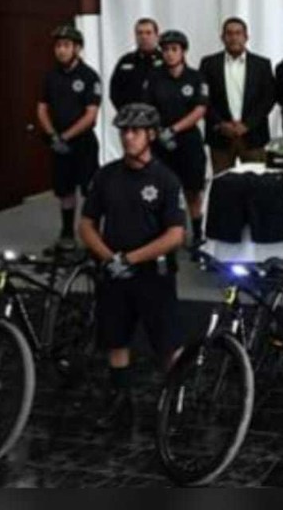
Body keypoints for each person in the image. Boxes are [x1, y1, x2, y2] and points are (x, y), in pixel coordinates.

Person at [79, 103, 188, 430]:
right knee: (116, 338)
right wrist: (108, 257)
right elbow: (86, 224)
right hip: (114, 272)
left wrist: (131, 258)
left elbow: (175, 236)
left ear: (151, 135)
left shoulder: (166, 179)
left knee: (167, 343)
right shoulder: (106, 175)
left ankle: (176, 401)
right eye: (124, 131)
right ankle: (120, 400)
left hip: (152, 275)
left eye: (135, 131)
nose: (128, 137)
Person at [36, 24, 101, 249]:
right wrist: (53, 136)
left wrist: (66, 136)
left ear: (77, 48)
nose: (61, 50)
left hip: (82, 143)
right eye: (58, 46)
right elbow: (42, 108)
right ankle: (66, 232)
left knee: (90, 189)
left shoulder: (89, 76)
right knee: (64, 190)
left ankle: (94, 233)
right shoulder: (51, 76)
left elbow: (91, 114)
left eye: (66, 45)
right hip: (58, 144)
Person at [148, 29, 209, 251]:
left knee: (193, 190)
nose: (170, 54)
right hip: (160, 144)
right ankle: (169, 234)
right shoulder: (154, 78)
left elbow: (200, 109)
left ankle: (197, 234)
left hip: (188, 141)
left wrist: (174, 129)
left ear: (183, 51)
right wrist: (158, 132)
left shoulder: (195, 77)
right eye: (165, 50)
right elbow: (148, 109)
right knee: (163, 190)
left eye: (174, 49)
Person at [200, 17, 276, 172]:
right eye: (229, 33)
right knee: (221, 186)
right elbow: (204, 99)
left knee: (257, 185)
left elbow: (268, 98)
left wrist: (247, 125)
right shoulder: (209, 64)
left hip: (253, 135)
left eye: (238, 33)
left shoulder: (262, 64)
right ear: (222, 37)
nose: (234, 37)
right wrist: (221, 124)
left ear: (246, 37)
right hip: (220, 137)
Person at [109, 17, 165, 110]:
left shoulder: (166, 60)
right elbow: (114, 92)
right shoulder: (126, 61)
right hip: (131, 119)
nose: (144, 37)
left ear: (157, 36)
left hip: (160, 120)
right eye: (140, 33)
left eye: (148, 33)